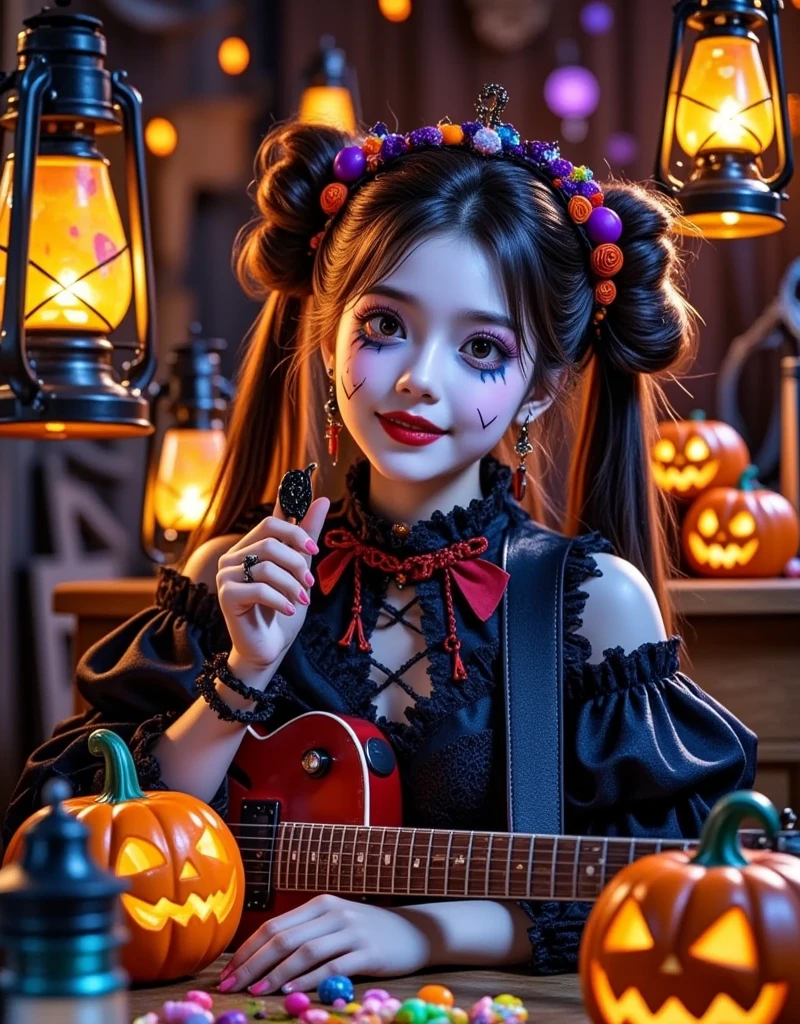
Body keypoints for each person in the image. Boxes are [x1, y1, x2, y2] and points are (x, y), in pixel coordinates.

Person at [4, 86, 756, 995]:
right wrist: (237, 678)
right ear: (327, 339)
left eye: (481, 349)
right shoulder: (232, 577)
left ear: (540, 389)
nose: (418, 381)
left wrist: (420, 933)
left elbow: (696, 873)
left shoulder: (590, 604)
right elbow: (89, 845)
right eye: (385, 327)